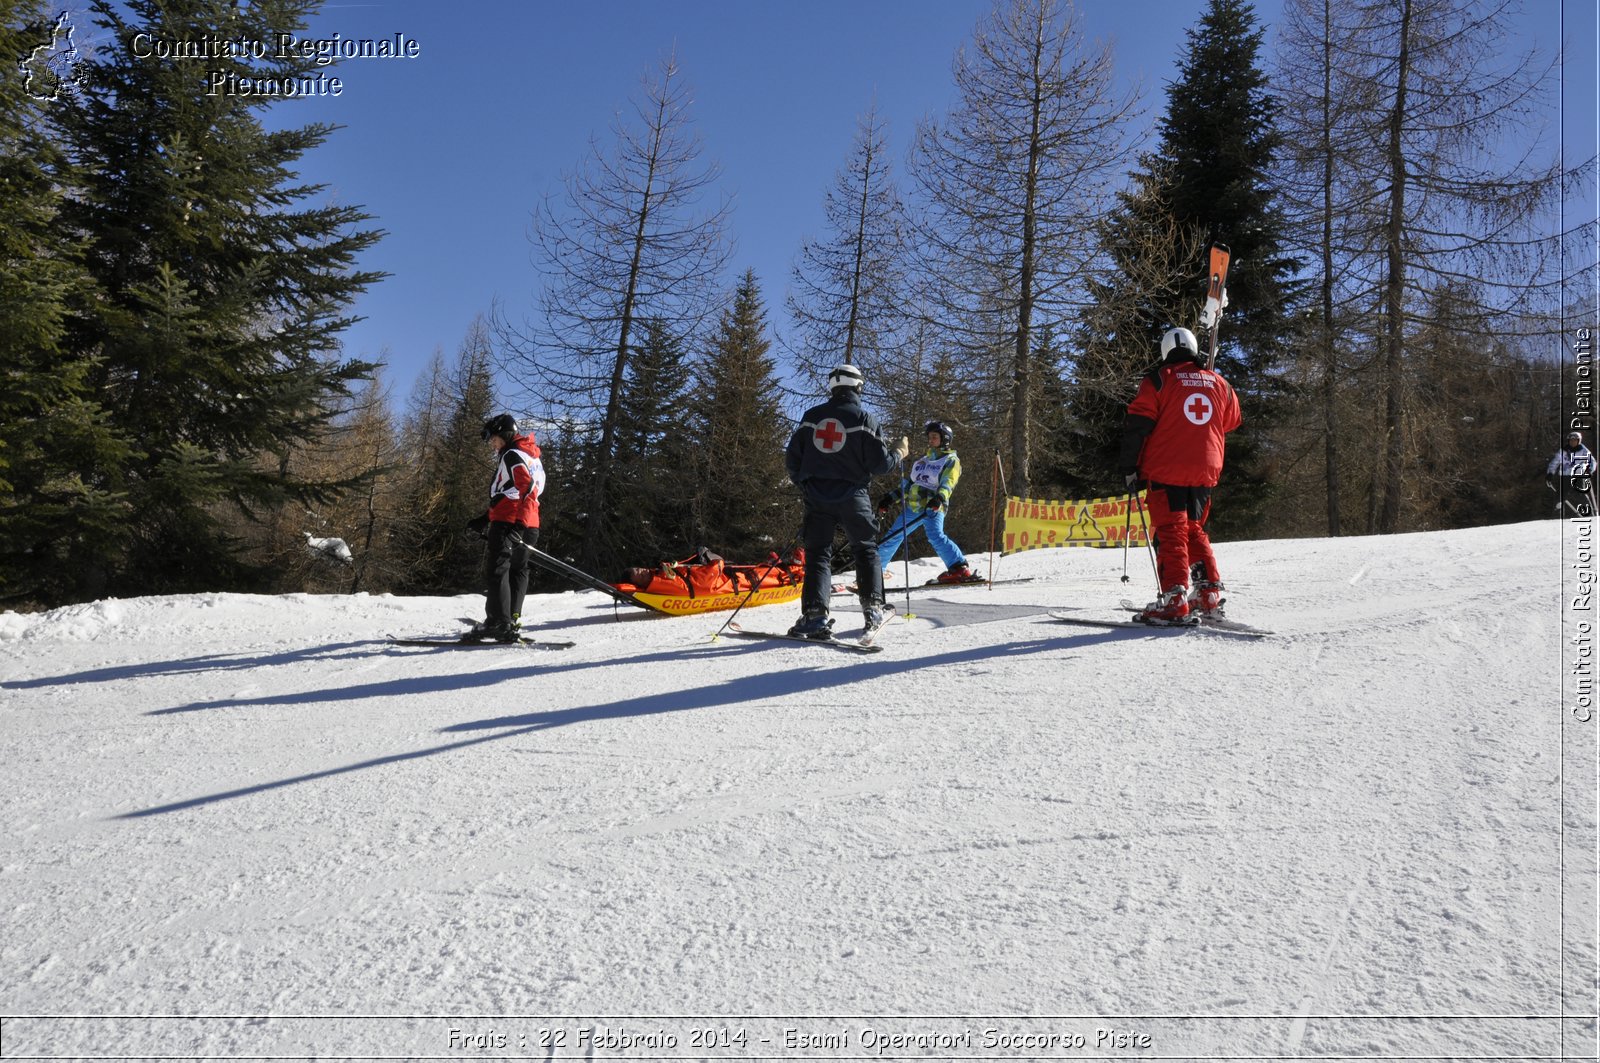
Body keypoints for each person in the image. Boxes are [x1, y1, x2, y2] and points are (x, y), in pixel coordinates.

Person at [1118, 327, 1242, 624]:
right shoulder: (1219, 382)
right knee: (1192, 529)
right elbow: (1232, 420)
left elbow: (1139, 425)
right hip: (1205, 469)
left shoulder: (1159, 380)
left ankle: (1174, 598)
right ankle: (1207, 592)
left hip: (1167, 467)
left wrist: (1128, 467)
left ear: (1165, 352)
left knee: (1171, 531)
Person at [784, 364, 907, 638]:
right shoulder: (864, 418)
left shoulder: (810, 417)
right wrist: (899, 453)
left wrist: (806, 484)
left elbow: (792, 460)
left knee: (817, 554)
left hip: (816, 497)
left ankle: (815, 616)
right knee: (865, 550)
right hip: (853, 496)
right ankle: (873, 609)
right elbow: (880, 464)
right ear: (858, 387)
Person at [464, 413, 545, 643]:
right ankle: (510, 618)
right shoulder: (532, 456)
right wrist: (485, 518)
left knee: (497, 569)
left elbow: (526, 488)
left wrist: (516, 525)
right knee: (519, 569)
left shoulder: (511, 455)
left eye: (494, 439)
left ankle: (499, 622)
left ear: (505, 434)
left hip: (511, 521)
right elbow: (512, 493)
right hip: (531, 522)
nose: (493, 445)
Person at [876, 420, 975, 585]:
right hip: (914, 506)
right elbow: (909, 484)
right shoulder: (922, 461)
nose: (931, 440)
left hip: (932, 507)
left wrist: (940, 498)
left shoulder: (950, 460)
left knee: (935, 536)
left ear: (945, 439)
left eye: (934, 437)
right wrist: (890, 498)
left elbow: (948, 482)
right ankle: (876, 570)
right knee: (893, 535)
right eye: (929, 437)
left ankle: (959, 567)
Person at [1546, 430, 1596, 518]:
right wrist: (1550, 474)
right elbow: (1554, 463)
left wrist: (1589, 469)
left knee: (1580, 495)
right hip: (1564, 476)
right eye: (1571, 440)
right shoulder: (1563, 451)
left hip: (1578, 475)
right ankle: (1557, 517)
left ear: (1578, 441)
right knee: (1560, 496)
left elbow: (1592, 461)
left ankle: (1589, 515)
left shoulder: (1583, 450)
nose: (1572, 442)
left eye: (1575, 440)